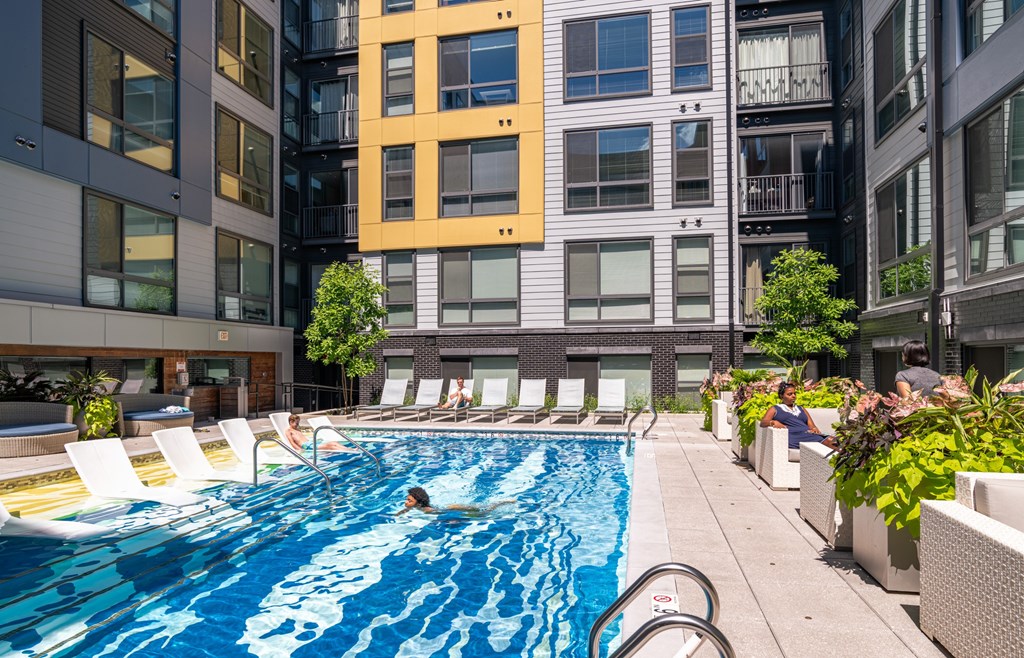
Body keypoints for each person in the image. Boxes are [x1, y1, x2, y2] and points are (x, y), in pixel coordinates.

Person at [760, 381, 838, 451]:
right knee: (831, 441)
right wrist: (773, 422)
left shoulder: (801, 408)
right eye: (789, 394)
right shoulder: (775, 408)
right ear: (781, 396)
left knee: (836, 440)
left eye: (794, 393)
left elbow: (812, 426)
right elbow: (763, 422)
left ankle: (843, 462)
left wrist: (815, 429)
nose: (793, 396)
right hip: (794, 437)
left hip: (808, 434)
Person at [395, 486, 515, 517]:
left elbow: (444, 511)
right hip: (450, 508)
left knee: (484, 511)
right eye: (407, 499)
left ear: (419, 503)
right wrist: (399, 514)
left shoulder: (427, 510)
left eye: (409, 500)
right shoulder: (415, 506)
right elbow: (407, 509)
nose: (406, 502)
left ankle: (502, 502)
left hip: (454, 508)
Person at [283, 414, 350, 452]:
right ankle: (347, 451)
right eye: (296, 423)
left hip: (311, 443)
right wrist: (300, 450)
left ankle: (349, 449)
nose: (298, 424)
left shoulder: (297, 429)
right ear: (291, 422)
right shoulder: (288, 431)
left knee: (334, 443)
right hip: (307, 446)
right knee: (330, 446)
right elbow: (292, 443)